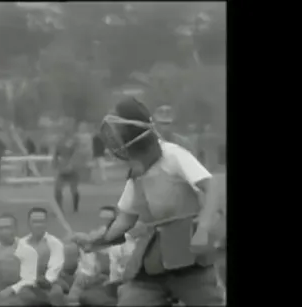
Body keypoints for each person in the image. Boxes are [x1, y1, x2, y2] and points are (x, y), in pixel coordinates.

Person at [71, 97, 225, 306]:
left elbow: (212, 187)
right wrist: (96, 241)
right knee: (131, 300)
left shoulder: (173, 155)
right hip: (152, 262)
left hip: (189, 258)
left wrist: (203, 229)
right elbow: (125, 219)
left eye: (117, 131)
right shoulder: (137, 171)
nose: (113, 137)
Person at [20, 207, 67, 306]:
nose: (38, 225)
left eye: (41, 221)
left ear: (46, 223)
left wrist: (47, 279)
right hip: (27, 282)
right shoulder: (22, 243)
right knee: (25, 295)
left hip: (50, 282)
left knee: (56, 293)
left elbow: (56, 266)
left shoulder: (55, 243)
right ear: (29, 224)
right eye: (35, 221)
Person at [53, 126, 82, 213]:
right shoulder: (60, 142)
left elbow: (76, 153)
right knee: (58, 188)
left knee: (74, 189)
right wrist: (55, 163)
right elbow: (56, 153)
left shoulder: (74, 141)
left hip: (72, 169)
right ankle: (60, 208)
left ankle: (75, 208)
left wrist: (72, 164)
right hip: (63, 168)